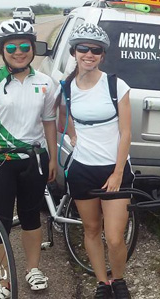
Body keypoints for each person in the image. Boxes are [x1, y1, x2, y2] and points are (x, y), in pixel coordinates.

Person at [0, 19, 57, 297]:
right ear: (2, 50)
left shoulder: (45, 82)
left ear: (33, 48)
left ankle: (33, 270)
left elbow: (49, 124)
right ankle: (2, 280)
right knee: (1, 221)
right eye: (12, 47)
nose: (19, 51)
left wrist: (53, 159)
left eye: (25, 46)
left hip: (33, 159)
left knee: (32, 218)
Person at [57, 23, 133, 299]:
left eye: (96, 50)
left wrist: (118, 172)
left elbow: (126, 132)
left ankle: (119, 280)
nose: (89, 54)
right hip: (82, 170)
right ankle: (103, 283)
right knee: (90, 229)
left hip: (113, 170)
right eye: (83, 48)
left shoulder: (115, 85)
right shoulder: (66, 86)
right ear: (74, 52)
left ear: (102, 55)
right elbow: (62, 116)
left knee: (114, 236)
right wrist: (74, 136)